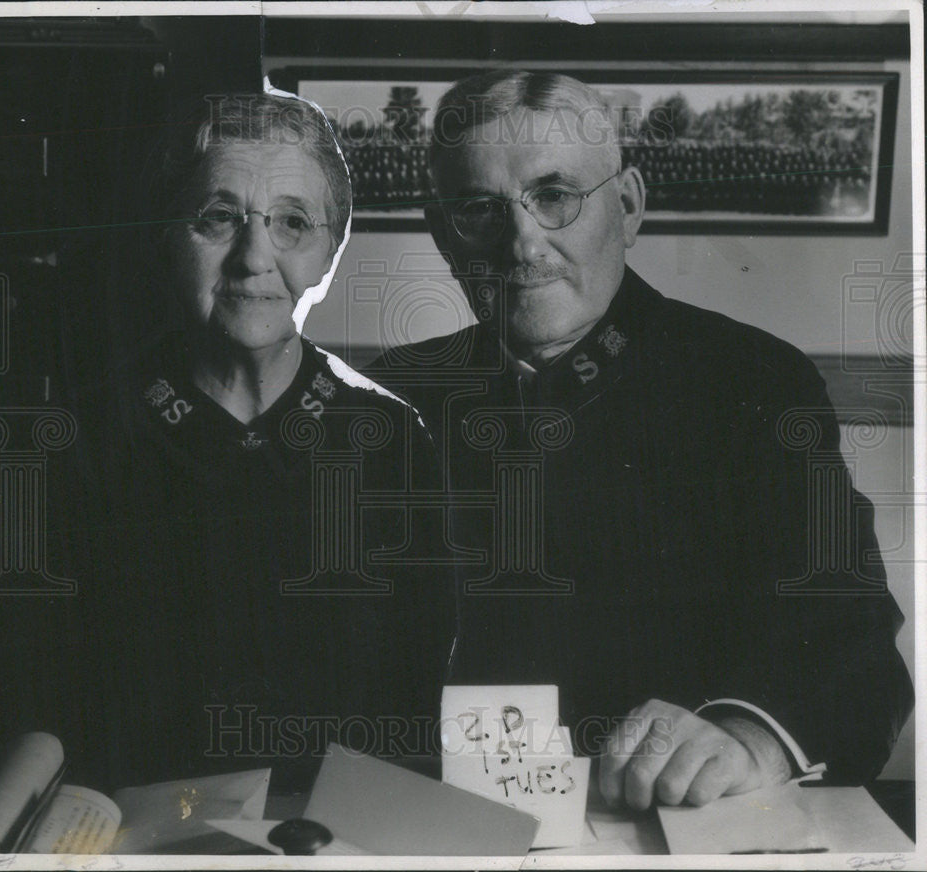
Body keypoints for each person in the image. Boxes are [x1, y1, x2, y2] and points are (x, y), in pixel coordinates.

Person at [365, 70, 913, 812]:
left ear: (626, 207)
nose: (523, 243)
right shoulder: (389, 392)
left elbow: (850, 634)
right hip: (426, 821)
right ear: (441, 231)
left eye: (555, 196)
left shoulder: (751, 378)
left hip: (663, 823)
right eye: (479, 210)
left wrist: (747, 739)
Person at [0, 91, 453, 796]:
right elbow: (32, 710)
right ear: (169, 233)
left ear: (329, 251)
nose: (254, 257)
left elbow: (412, 713)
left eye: (293, 223)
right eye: (219, 218)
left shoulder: (390, 446)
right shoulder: (71, 446)